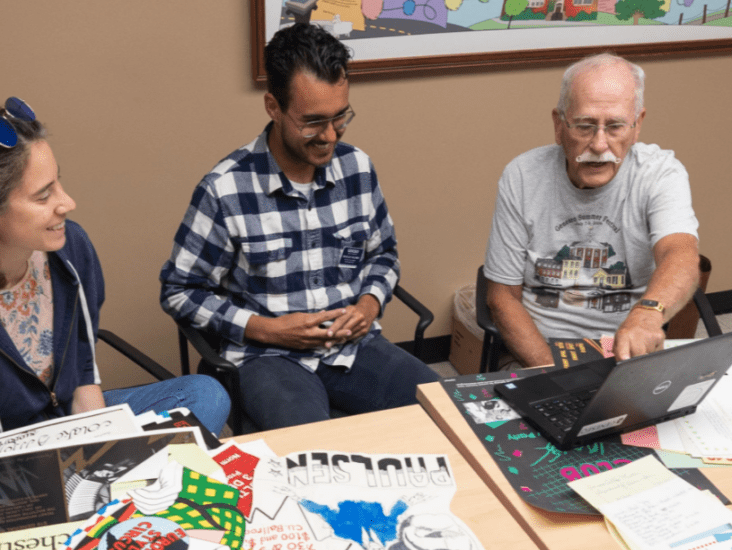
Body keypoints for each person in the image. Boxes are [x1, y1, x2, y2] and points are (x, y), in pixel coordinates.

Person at [0, 99, 230, 459]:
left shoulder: (71, 248)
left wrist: (99, 444)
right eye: (43, 195)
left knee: (205, 395)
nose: (67, 203)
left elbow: (82, 368)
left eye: (58, 182)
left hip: (62, 425)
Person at [159, 23, 438, 431]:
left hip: (352, 347)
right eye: (313, 122)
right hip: (266, 358)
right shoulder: (225, 189)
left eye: (340, 117)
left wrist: (368, 305)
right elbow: (180, 291)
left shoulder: (357, 168)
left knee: (447, 409)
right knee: (312, 450)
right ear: (273, 107)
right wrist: (266, 329)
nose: (329, 136)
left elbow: (383, 254)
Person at [484, 53, 700, 367]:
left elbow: (681, 254)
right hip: (541, 347)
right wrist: (553, 373)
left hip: (626, 348)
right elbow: (502, 297)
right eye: (584, 126)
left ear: (637, 125)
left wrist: (646, 315)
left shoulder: (661, 173)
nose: (599, 145)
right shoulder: (522, 176)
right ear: (559, 125)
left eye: (615, 127)